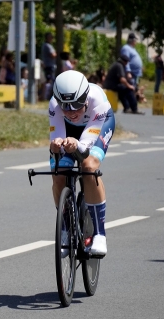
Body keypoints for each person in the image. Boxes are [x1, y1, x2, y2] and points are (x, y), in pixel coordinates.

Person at [49, 70, 115, 256]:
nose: (71, 112)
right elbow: (57, 138)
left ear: (86, 98)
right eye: (65, 106)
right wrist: (57, 147)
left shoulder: (98, 101)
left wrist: (76, 145)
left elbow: (85, 146)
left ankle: (100, 234)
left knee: (88, 166)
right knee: (59, 172)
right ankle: (65, 228)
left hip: (96, 127)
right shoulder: (54, 105)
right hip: (70, 132)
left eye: (77, 105)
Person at [41, 32, 57, 100]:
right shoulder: (47, 45)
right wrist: (56, 53)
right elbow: (52, 55)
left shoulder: (48, 45)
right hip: (49, 66)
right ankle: (46, 96)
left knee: (50, 81)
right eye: (50, 37)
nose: (52, 38)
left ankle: (47, 96)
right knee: (49, 81)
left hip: (50, 66)